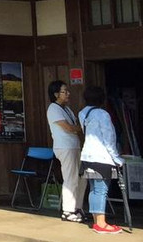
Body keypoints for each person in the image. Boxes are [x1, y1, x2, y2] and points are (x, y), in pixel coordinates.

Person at [78, 86, 123, 234]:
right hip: (101, 156)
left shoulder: (83, 113)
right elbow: (108, 137)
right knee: (101, 190)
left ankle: (97, 221)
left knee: (94, 189)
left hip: (87, 155)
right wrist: (116, 157)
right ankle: (101, 224)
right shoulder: (102, 114)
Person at [46, 80, 86, 223]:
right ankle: (68, 210)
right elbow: (68, 127)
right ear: (56, 94)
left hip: (74, 145)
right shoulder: (53, 108)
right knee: (70, 177)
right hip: (64, 147)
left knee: (82, 178)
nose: (68, 94)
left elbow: (73, 125)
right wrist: (81, 128)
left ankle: (78, 207)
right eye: (64, 91)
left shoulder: (67, 109)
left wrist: (77, 127)